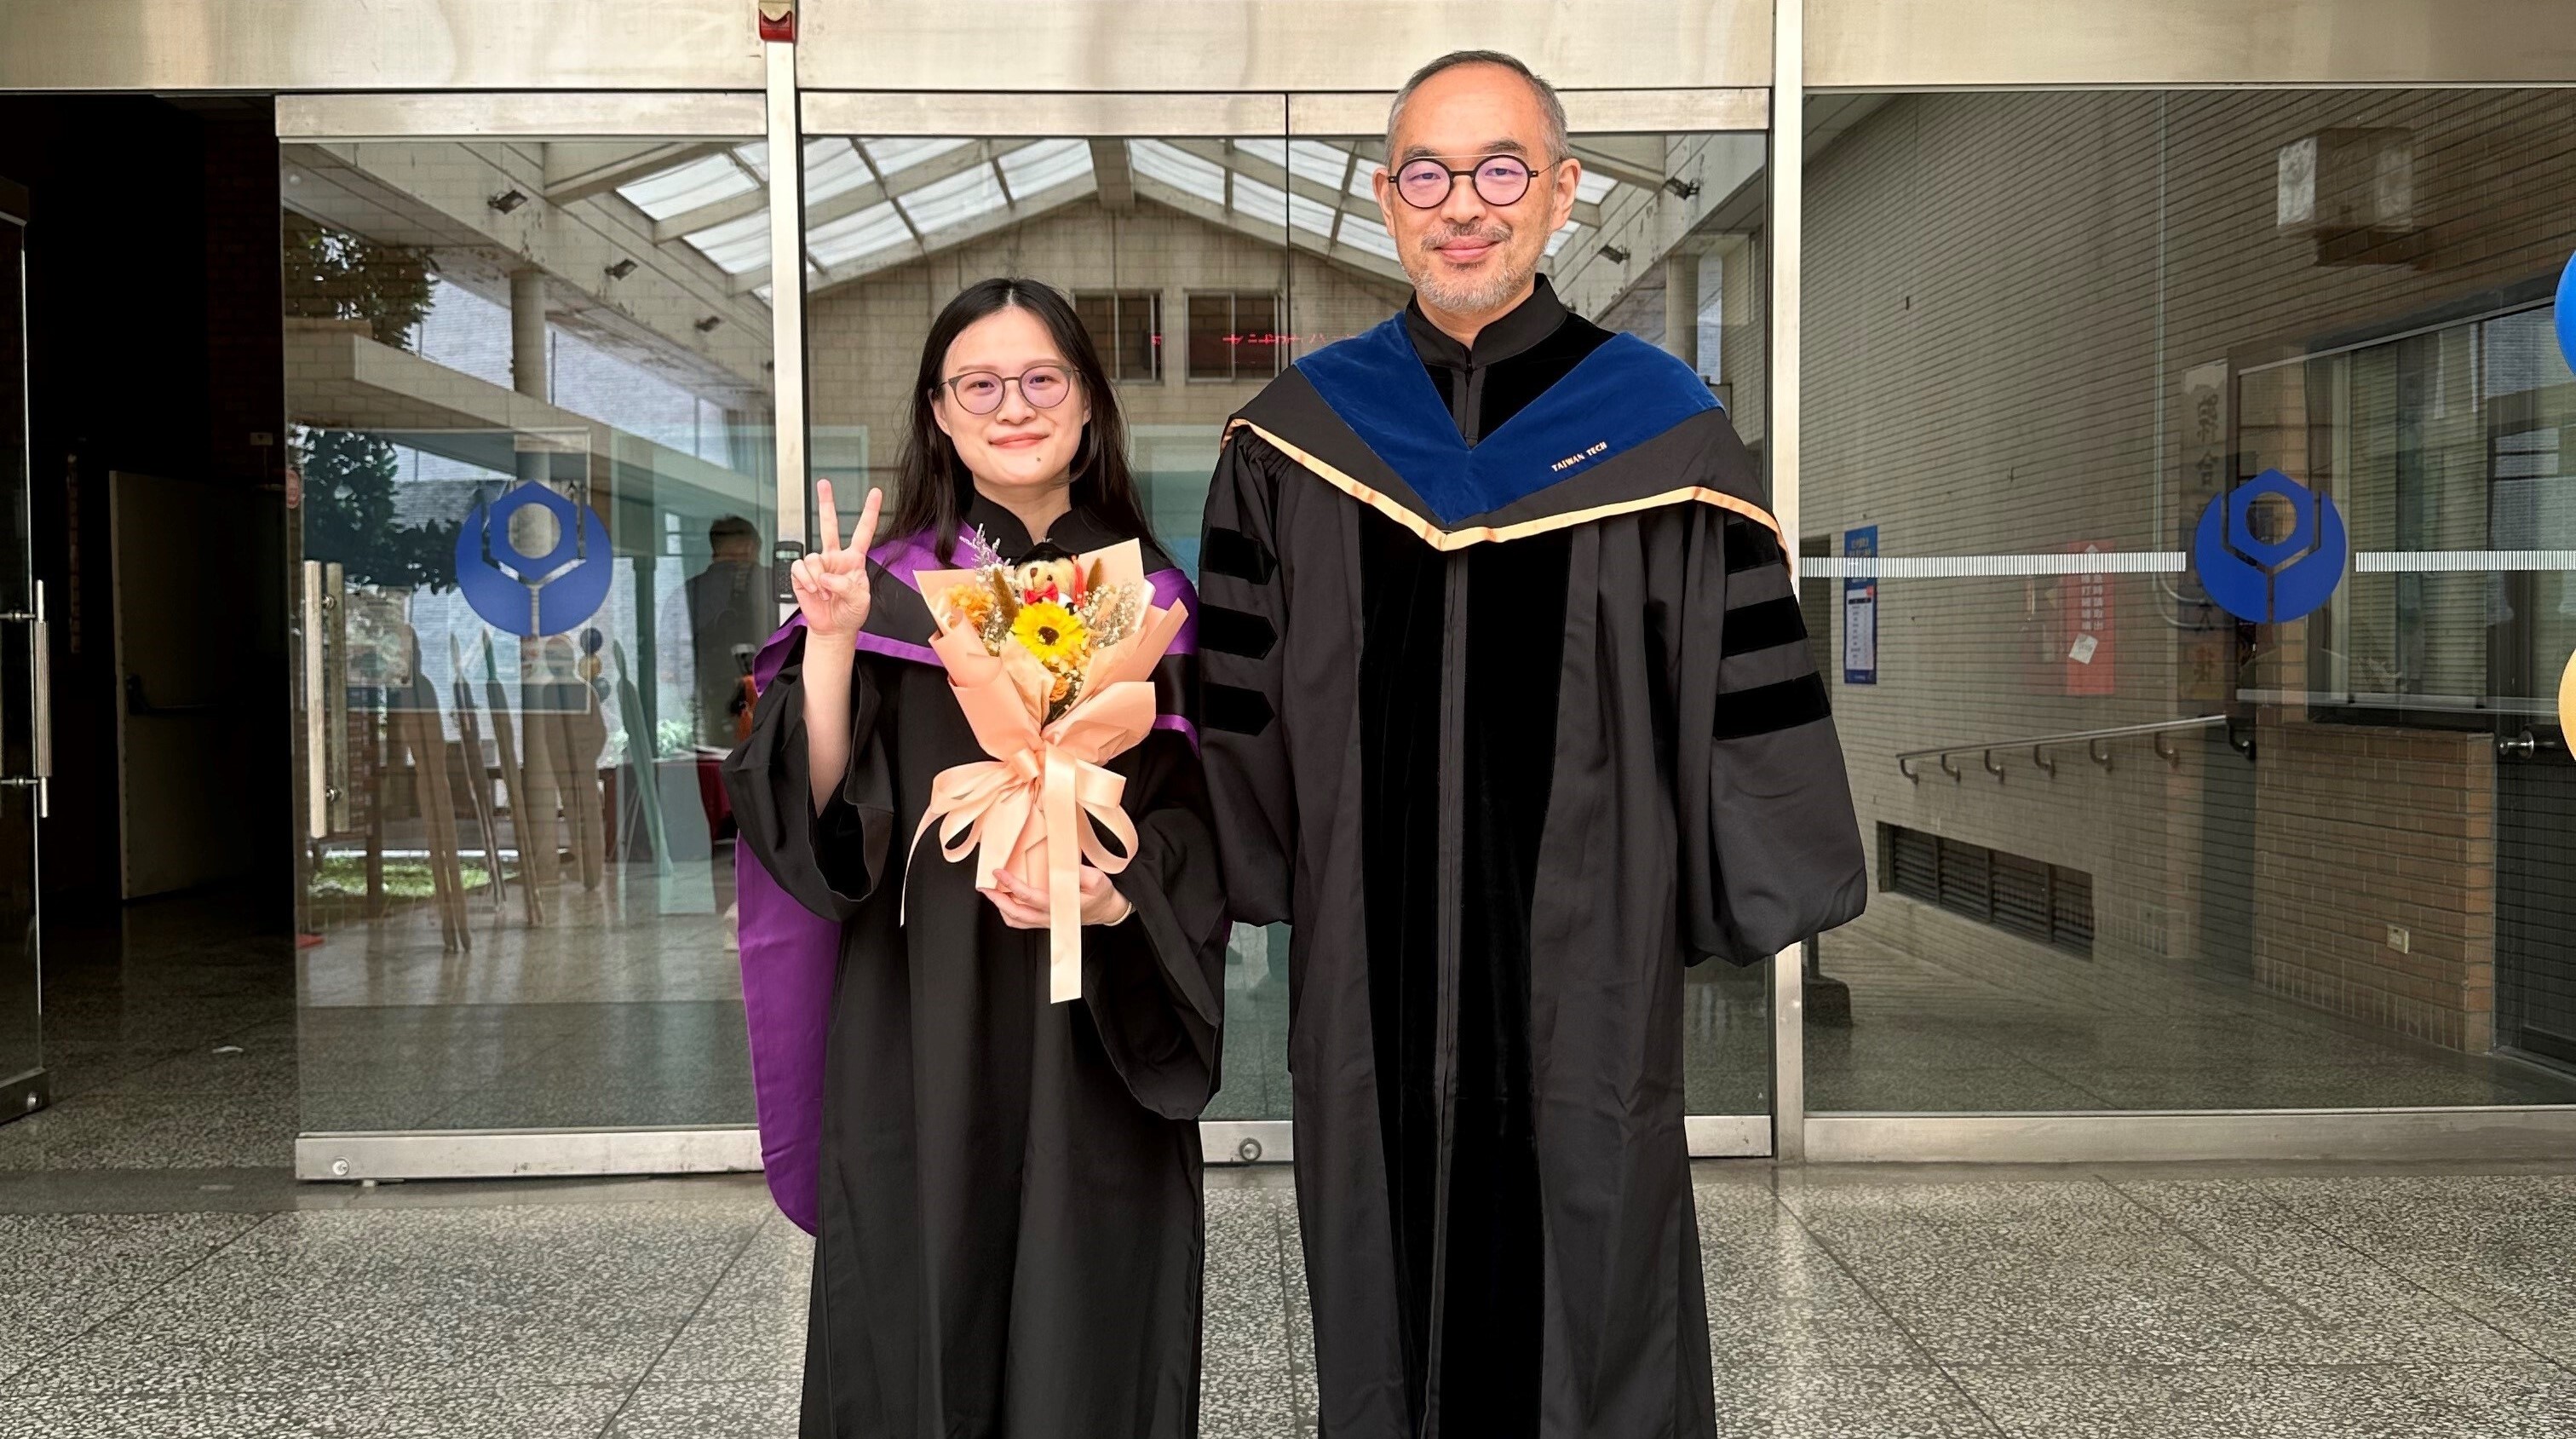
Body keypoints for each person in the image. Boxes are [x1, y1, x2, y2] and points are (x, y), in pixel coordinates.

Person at [1196, 51, 1868, 1439]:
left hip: (1589, 967)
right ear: (1387, 201)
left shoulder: (1664, 435)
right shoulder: (1292, 443)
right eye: (1430, 175)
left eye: (1502, 169)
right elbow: (1236, 711)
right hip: (1362, 975)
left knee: (1597, 1275)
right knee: (1381, 1295)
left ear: (1561, 192)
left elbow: (1740, 700)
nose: (1466, 205)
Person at [724, 278, 1228, 1438]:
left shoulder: (1156, 601)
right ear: (940, 414)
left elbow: (1203, 823)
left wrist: (1119, 886)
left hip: (1091, 1017)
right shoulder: (892, 587)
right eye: (979, 385)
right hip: (920, 1010)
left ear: (1090, 406)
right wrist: (840, 644)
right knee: (918, 1304)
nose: (1014, 406)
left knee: (1090, 1313)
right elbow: (824, 814)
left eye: (1042, 378)